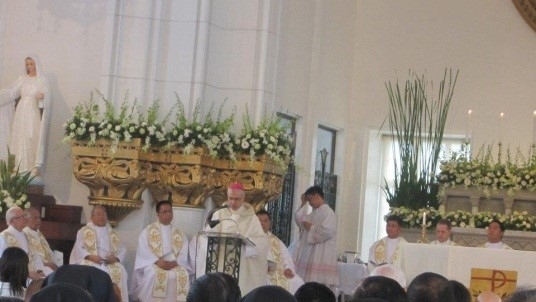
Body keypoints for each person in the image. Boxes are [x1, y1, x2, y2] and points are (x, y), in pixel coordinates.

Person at [194, 182, 269, 295]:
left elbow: (261, 241)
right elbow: (208, 235)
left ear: (243, 198)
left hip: (241, 261)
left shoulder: (251, 217)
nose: (233, 202)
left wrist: (246, 241)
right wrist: (212, 242)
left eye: (237, 199)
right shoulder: (218, 214)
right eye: (230, 198)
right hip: (219, 260)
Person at [0, 54, 51, 176]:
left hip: (32, 110)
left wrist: (43, 97)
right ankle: (17, 167)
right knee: (19, 136)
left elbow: (47, 96)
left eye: (31, 63)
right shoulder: (22, 78)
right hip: (21, 110)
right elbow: (12, 92)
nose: (29, 66)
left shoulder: (41, 79)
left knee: (31, 135)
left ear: (36, 64)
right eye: (27, 64)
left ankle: (31, 167)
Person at [131, 200, 191, 302]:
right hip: (154, 263)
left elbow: (184, 252)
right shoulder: (148, 231)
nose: (168, 214)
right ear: (158, 214)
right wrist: (157, 261)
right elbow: (143, 250)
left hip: (174, 265)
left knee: (182, 274)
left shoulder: (179, 234)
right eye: (164, 212)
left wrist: (176, 262)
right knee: (153, 274)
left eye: (170, 211)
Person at [69, 206, 128, 302]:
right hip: (91, 261)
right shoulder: (83, 231)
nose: (101, 216)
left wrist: (116, 258)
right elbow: (78, 249)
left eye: (104, 214)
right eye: (98, 214)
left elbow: (122, 250)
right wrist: (90, 256)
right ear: (92, 217)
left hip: (109, 263)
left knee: (121, 270)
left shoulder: (113, 234)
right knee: (94, 272)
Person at [293, 186, 338, 291]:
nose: (309, 203)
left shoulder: (329, 213)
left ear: (317, 196)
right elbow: (300, 221)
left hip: (322, 255)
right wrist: (303, 203)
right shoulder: (314, 213)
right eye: (307, 200)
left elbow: (327, 232)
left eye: (310, 199)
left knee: (320, 289)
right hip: (310, 255)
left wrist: (311, 228)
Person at [256, 209, 304, 294]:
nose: (262, 223)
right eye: (259, 220)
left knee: (297, 281)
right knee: (265, 281)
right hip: (261, 272)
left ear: (269, 223)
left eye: (266, 221)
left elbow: (286, 256)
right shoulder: (251, 238)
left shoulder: (276, 241)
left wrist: (288, 268)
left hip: (279, 272)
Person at [0, 206, 45, 281]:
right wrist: (27, 274)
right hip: (15, 280)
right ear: (11, 221)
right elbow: (4, 264)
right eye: (21, 217)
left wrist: (39, 270)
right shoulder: (4, 237)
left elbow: (35, 256)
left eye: (25, 215)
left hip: (33, 277)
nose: (25, 218)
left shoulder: (27, 235)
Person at [23, 207, 58, 275]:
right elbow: (28, 257)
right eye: (35, 218)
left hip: (48, 268)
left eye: (39, 218)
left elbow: (48, 252)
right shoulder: (24, 234)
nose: (39, 221)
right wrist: (45, 264)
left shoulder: (38, 233)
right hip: (36, 270)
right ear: (26, 220)